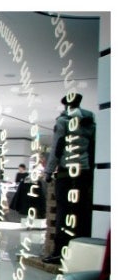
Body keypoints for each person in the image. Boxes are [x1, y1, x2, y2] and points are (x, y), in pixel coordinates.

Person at [42, 92, 96, 263]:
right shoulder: (89, 122)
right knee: (81, 213)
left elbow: (57, 148)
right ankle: (80, 254)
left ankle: (59, 253)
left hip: (66, 174)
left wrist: (48, 172)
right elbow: (93, 148)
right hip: (84, 173)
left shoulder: (63, 121)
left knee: (63, 212)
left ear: (66, 105)